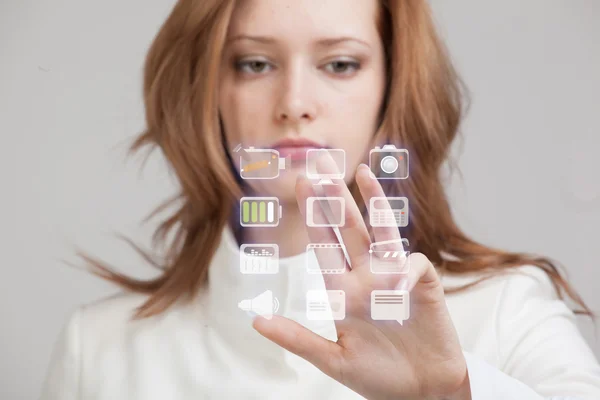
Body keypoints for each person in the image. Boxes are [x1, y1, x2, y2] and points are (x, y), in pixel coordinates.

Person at [40, 0, 600, 399]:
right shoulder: (101, 349)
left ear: (392, 88)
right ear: (205, 91)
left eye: (340, 64)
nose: (296, 103)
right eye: (255, 63)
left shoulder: (505, 310)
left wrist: (449, 395)